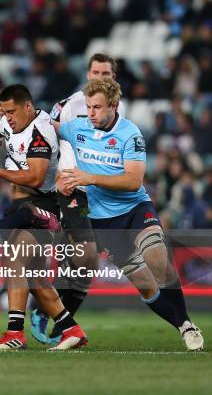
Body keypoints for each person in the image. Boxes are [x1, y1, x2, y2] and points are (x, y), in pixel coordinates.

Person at [57, 78, 204, 351]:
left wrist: (89, 177)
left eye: (97, 107)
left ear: (114, 106)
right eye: (88, 107)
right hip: (102, 223)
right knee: (146, 287)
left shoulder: (130, 134)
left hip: (135, 210)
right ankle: (182, 325)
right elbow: (43, 129)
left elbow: (133, 181)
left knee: (157, 259)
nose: (90, 113)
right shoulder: (76, 128)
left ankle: (187, 324)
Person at [0, 84, 87, 351]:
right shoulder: (8, 123)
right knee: (30, 274)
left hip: (45, 204)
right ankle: (71, 329)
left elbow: (35, 177)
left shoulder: (41, 131)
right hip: (23, 206)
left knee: (9, 254)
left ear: (28, 106)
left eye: (12, 111)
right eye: (5, 111)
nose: (8, 117)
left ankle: (15, 333)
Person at [30, 53, 127, 344]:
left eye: (106, 73)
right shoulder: (70, 106)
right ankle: (48, 311)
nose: (100, 77)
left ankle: (60, 320)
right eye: (95, 72)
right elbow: (46, 132)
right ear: (87, 75)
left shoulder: (121, 109)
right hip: (75, 190)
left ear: (114, 78)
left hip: (104, 191)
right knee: (83, 254)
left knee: (89, 263)